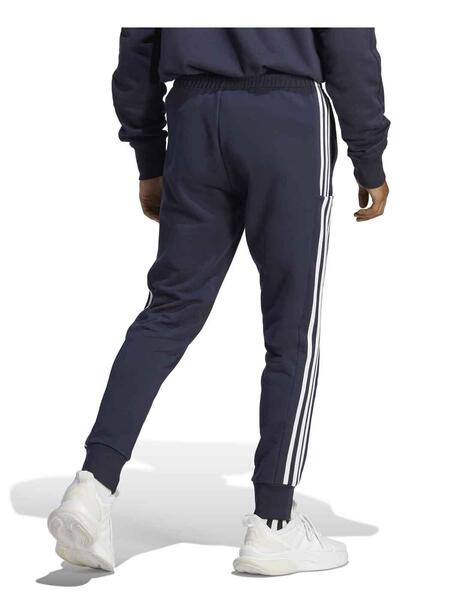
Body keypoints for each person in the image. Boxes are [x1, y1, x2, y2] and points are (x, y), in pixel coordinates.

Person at [47, 27, 390, 576]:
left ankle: (92, 487)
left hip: (195, 115)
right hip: (288, 118)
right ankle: (273, 525)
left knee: (169, 311)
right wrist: (368, 157)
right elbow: (346, 42)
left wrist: (149, 157)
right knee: (292, 329)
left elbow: (139, 42)